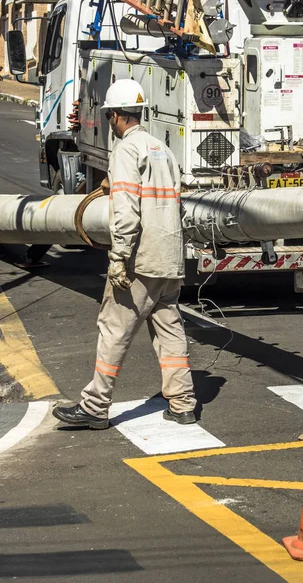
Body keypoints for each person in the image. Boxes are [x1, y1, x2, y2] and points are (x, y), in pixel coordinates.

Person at [53, 79, 196, 430]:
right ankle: (183, 403)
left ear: (115, 116)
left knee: (113, 327)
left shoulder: (126, 150)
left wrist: (119, 257)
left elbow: (128, 210)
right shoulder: (161, 149)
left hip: (141, 258)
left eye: (109, 117)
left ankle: (95, 406)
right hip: (168, 257)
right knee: (168, 329)